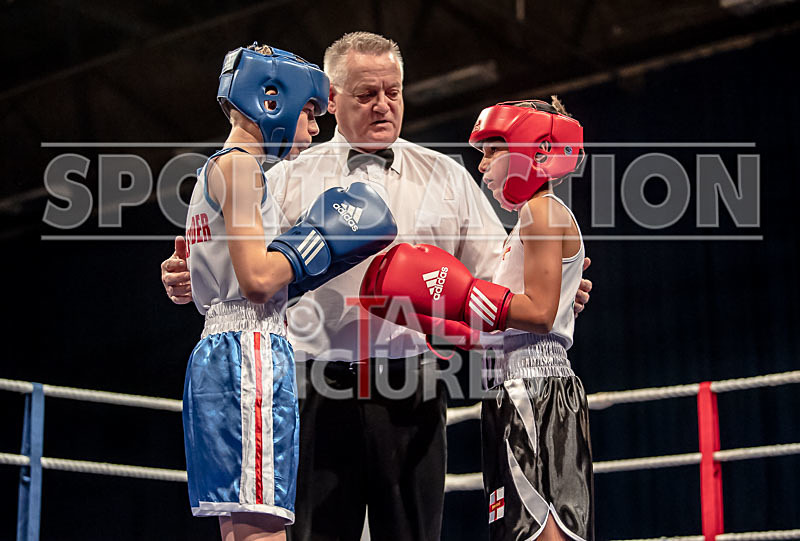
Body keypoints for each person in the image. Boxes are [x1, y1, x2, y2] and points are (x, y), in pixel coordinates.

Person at [163, 32, 592, 541]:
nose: (383, 105)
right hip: (314, 382)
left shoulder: (447, 177)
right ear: (333, 99)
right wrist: (189, 277)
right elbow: (243, 274)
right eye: (366, 94)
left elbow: (504, 272)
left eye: (393, 91)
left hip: (411, 384)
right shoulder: (283, 174)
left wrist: (561, 288)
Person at [181, 42, 395, 541]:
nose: (315, 129)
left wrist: (314, 261)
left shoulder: (215, 169)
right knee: (263, 527)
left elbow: (202, 280)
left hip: (223, 349)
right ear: (272, 100)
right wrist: (318, 239)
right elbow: (257, 281)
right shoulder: (241, 168)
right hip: (249, 352)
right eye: (310, 114)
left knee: (243, 522)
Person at [360, 98, 594, 540]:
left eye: (492, 150)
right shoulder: (523, 226)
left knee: (543, 528)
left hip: (535, 389)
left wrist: (461, 291)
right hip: (512, 386)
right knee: (520, 529)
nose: (482, 166)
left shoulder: (540, 213)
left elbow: (540, 315)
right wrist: (423, 316)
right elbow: (502, 327)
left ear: (533, 149)